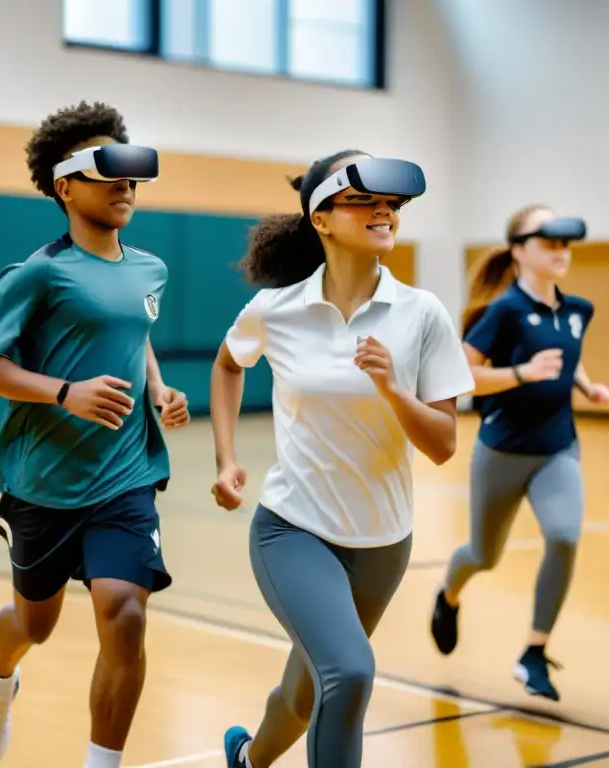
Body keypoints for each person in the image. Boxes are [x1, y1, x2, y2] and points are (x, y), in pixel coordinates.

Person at [210, 151, 475, 768]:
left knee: (306, 690)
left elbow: (442, 444)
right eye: (365, 199)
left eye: (393, 203)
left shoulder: (422, 314)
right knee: (350, 673)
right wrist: (227, 458)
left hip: (384, 542)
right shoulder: (276, 310)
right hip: (292, 530)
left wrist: (394, 390)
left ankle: (247, 759)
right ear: (321, 219)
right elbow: (227, 364)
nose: (384, 210)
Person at [0, 101, 190, 768]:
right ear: (65, 185)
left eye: (133, 175)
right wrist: (65, 393)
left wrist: (157, 389)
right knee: (34, 624)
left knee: (126, 611)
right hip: (44, 480)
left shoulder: (150, 269)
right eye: (108, 172)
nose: (126, 186)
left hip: (125, 475)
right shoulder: (39, 273)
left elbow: (134, 337)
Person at [429, 204, 609, 702]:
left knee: (564, 536)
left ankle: (534, 651)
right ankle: (448, 594)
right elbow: (460, 375)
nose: (560, 251)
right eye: (548, 241)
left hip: (558, 449)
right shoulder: (503, 312)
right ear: (518, 251)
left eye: (564, 243)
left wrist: (586, 384)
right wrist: (519, 374)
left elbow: (565, 357)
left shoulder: (579, 311)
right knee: (483, 555)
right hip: (502, 451)